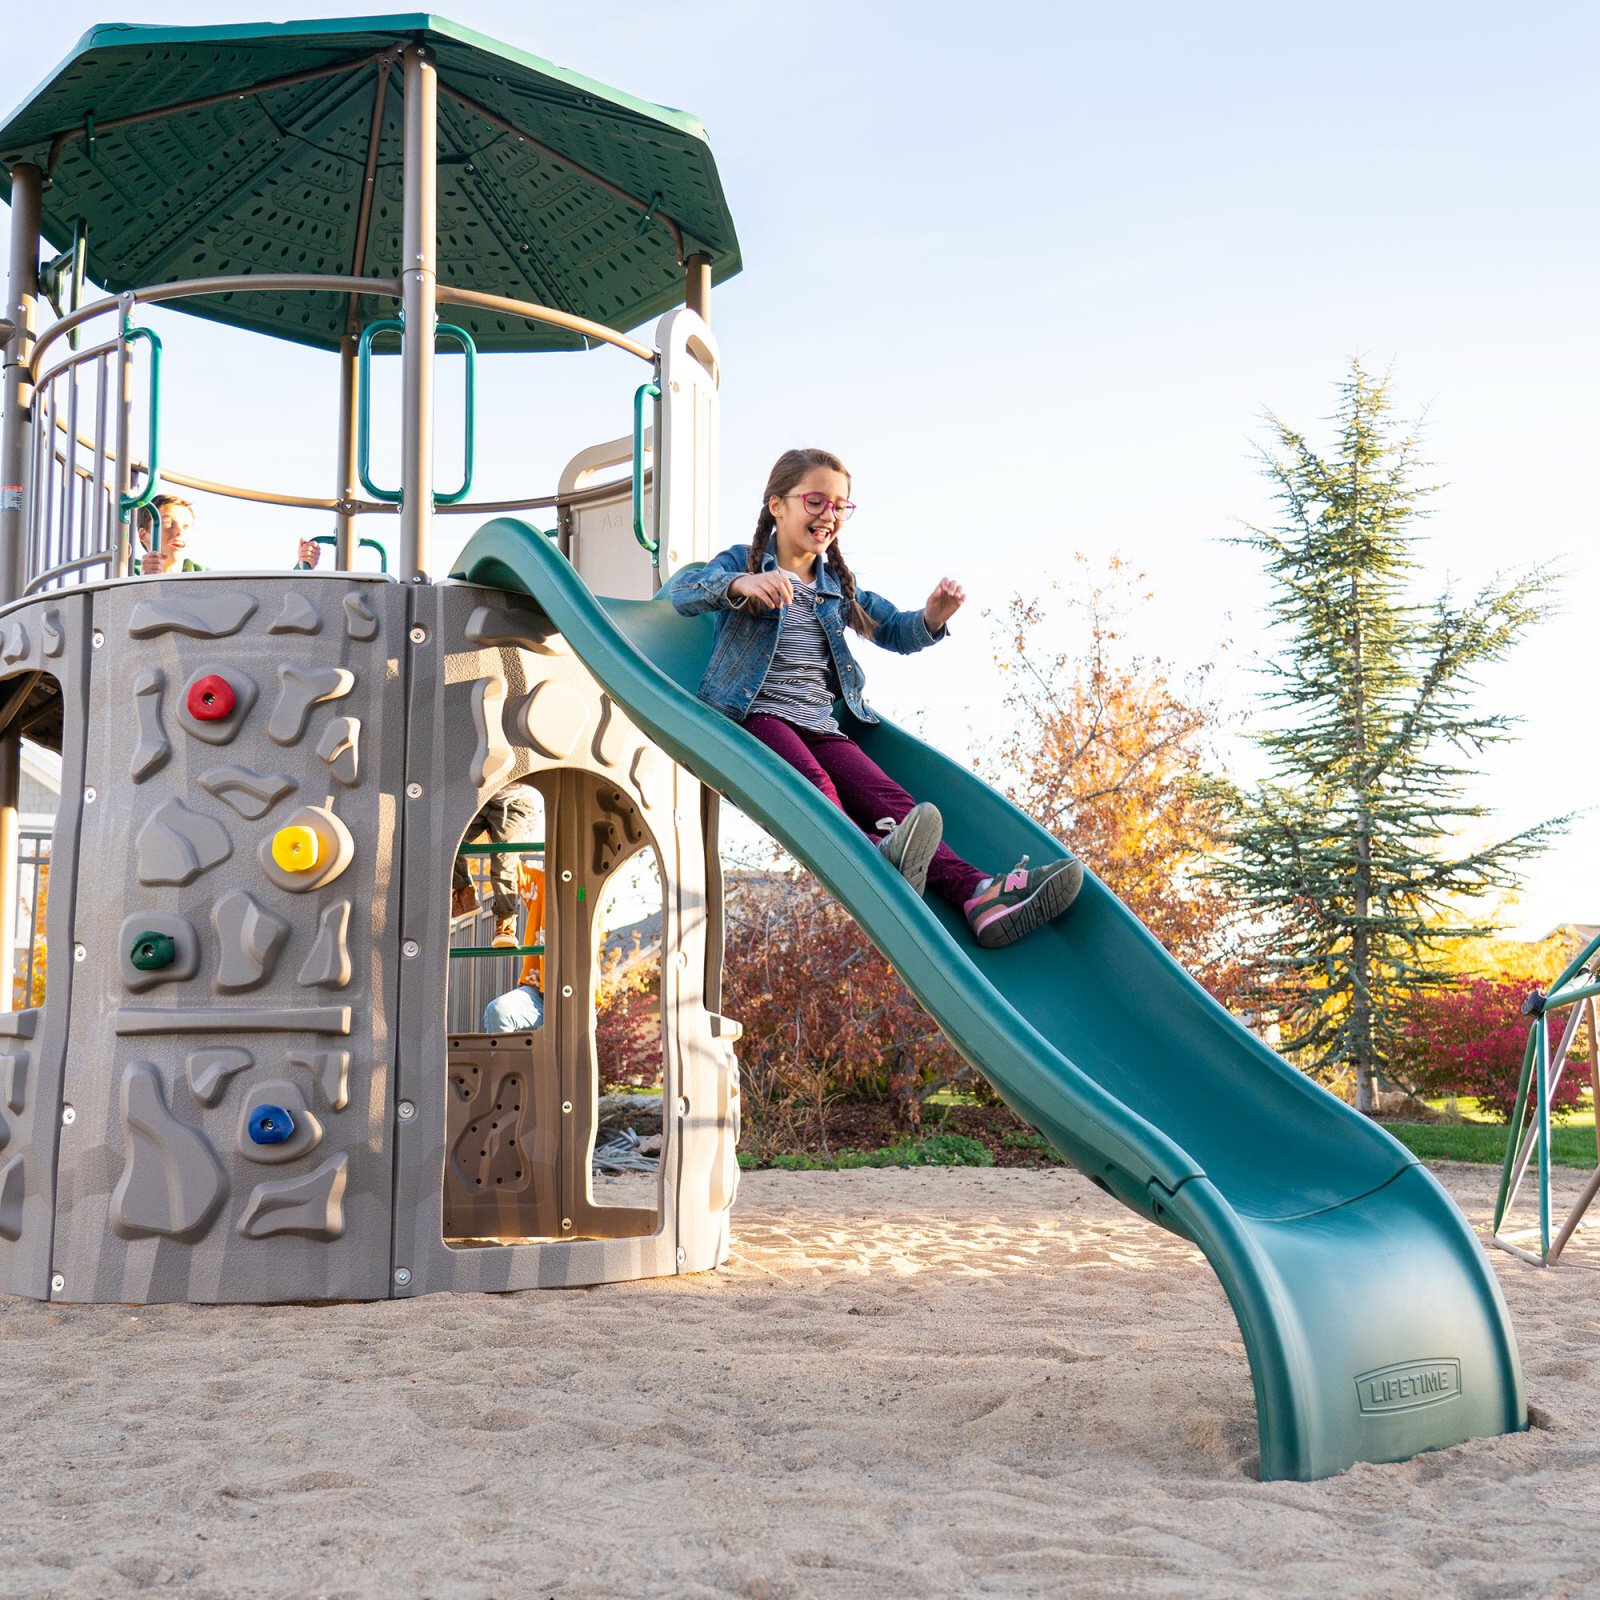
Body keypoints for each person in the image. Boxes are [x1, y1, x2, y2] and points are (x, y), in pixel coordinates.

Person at [668, 447, 1082, 949]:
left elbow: (893, 630)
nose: (829, 515)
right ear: (777, 504)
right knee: (816, 787)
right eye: (816, 501)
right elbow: (685, 591)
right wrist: (744, 582)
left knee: (895, 803)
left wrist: (932, 618)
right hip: (756, 715)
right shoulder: (744, 562)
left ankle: (978, 896)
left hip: (820, 724)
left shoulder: (836, 588)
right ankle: (871, 856)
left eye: (840, 506)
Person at [452, 783, 540, 947]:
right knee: (449, 843)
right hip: (478, 799)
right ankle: (466, 895)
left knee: (503, 865)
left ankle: (506, 922)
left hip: (513, 803)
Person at [480, 860, 546, 1031]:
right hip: (539, 991)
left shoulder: (589, 887)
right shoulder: (542, 882)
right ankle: (501, 1051)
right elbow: (508, 863)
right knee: (498, 1011)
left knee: (573, 1038)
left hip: (578, 994)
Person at [135, 494, 202, 574]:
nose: (180, 532)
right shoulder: (126, 573)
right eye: (168, 523)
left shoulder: (207, 576)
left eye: (186, 526)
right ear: (143, 535)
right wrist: (147, 580)